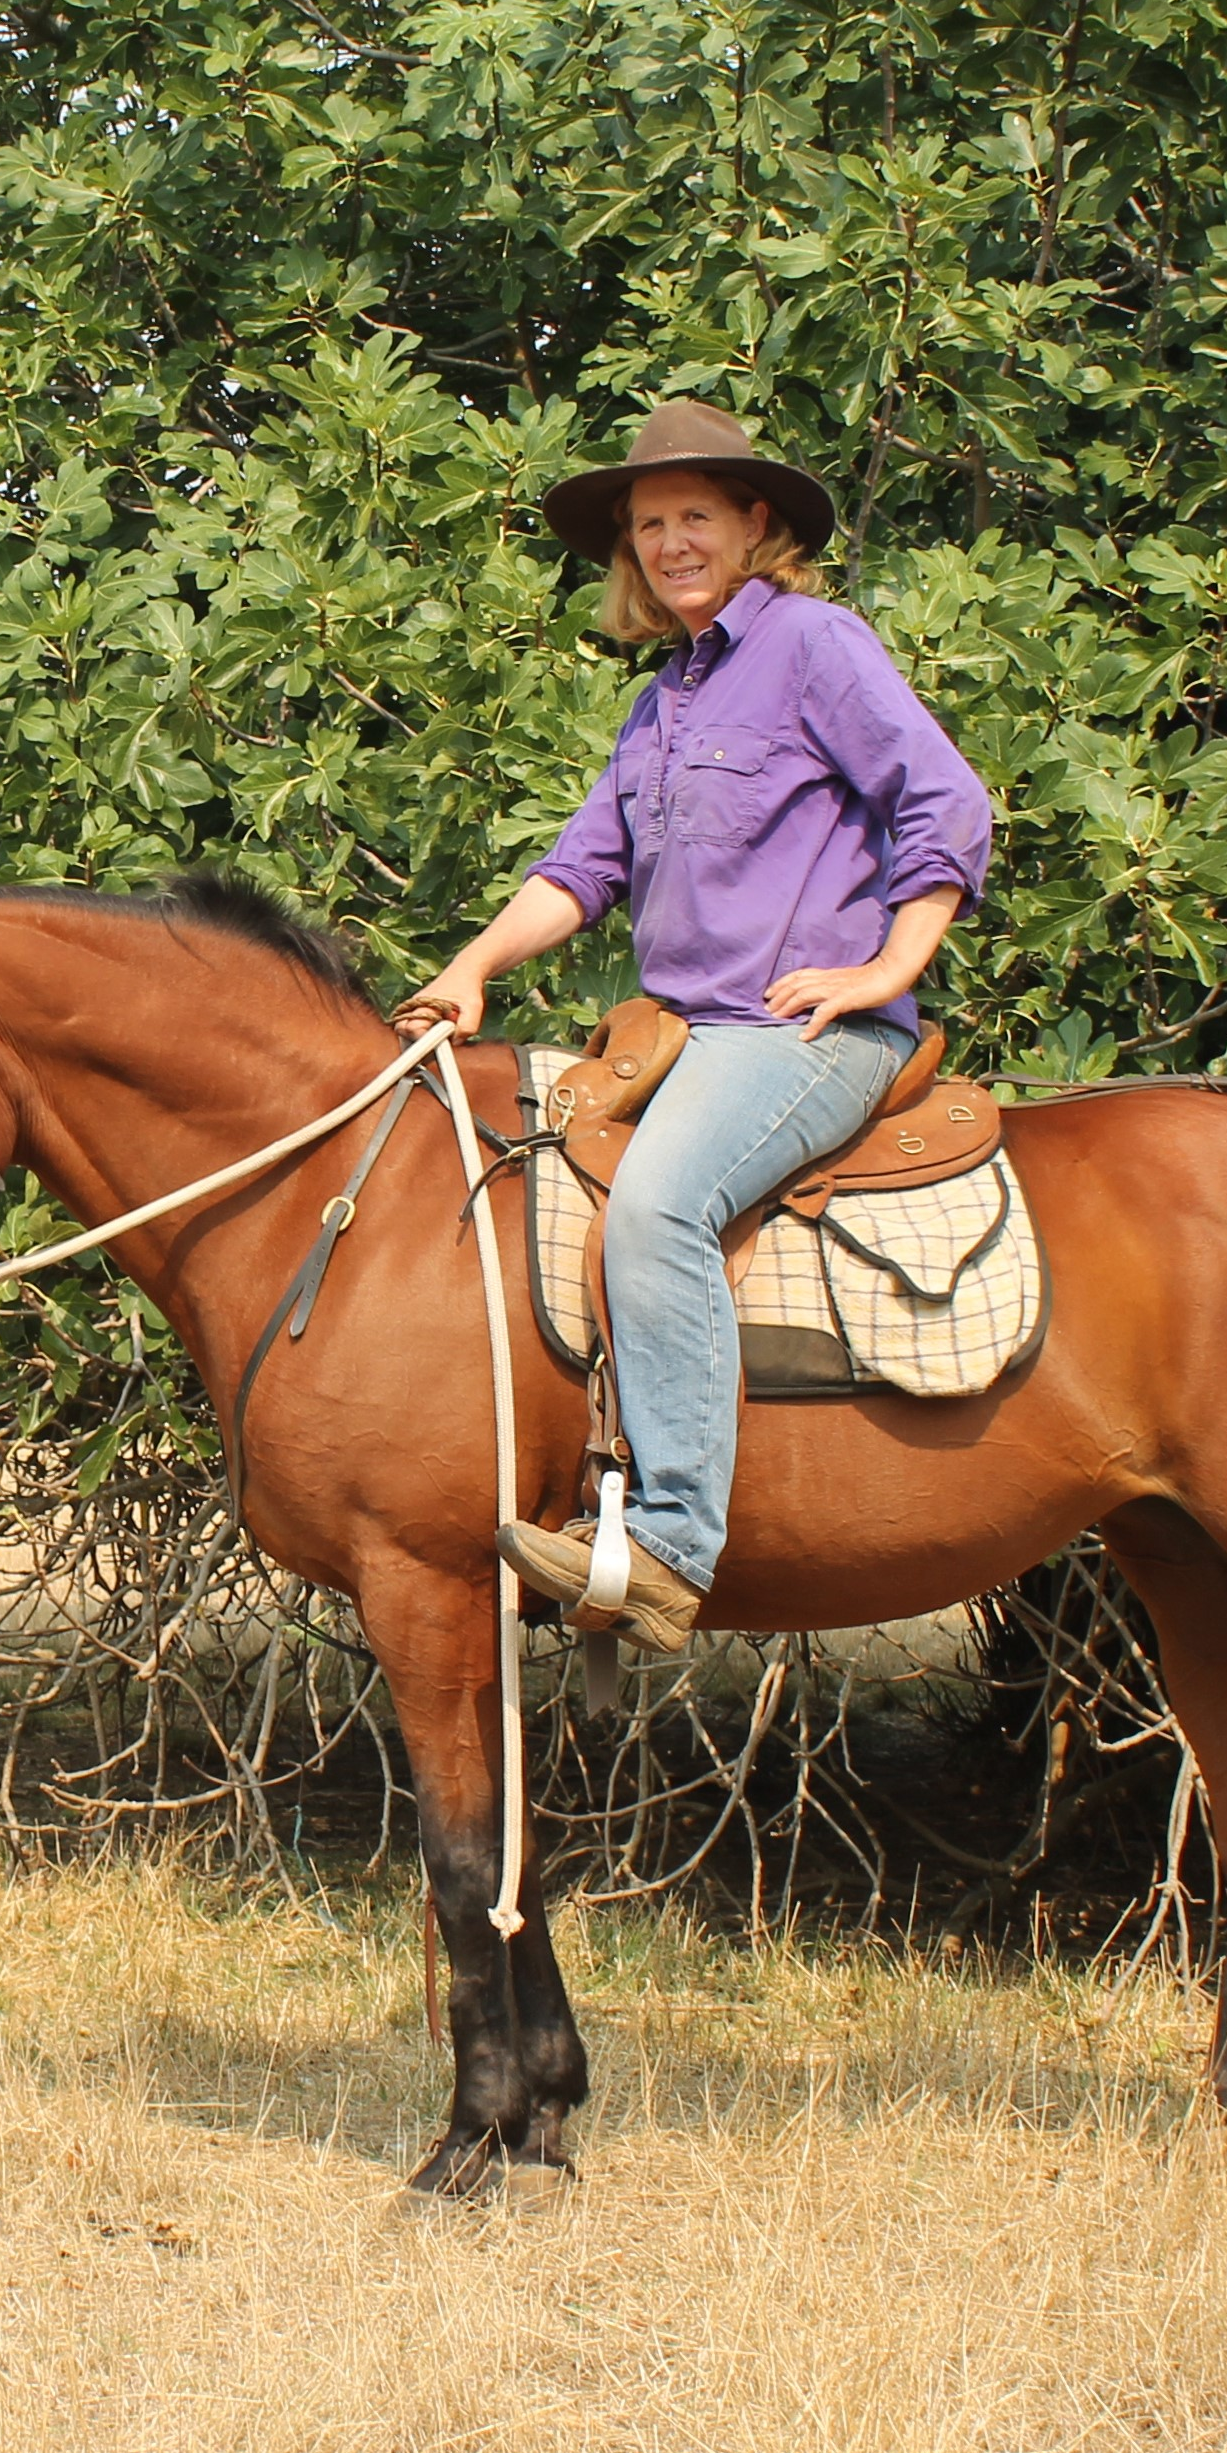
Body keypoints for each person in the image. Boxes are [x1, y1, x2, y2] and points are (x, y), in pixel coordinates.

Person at [393, 401, 993, 1653]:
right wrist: (471, 967)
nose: (670, 543)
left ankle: (668, 1546)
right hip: (682, 1033)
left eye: (695, 518)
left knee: (659, 1207)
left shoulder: (817, 646)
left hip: (803, 1038)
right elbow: (579, 871)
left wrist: (884, 963)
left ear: (754, 525)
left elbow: (942, 799)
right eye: (649, 525)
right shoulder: (661, 703)